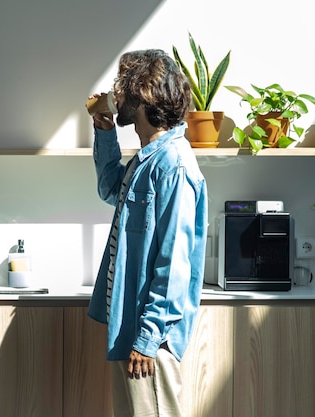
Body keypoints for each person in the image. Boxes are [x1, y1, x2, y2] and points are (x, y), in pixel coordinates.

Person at [87, 49, 208, 417]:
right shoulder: (149, 158)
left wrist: (147, 338)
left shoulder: (174, 164)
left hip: (148, 340)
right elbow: (111, 188)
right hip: (134, 331)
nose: (115, 94)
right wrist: (105, 128)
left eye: (120, 87)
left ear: (141, 92)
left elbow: (175, 263)